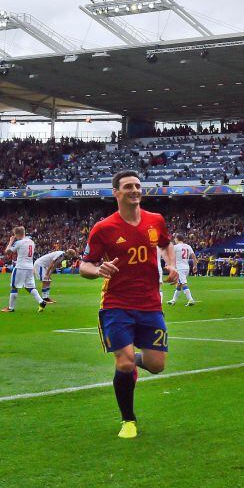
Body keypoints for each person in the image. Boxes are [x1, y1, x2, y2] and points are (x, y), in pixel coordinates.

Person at [79, 170, 178, 439]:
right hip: (116, 304)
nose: (134, 190)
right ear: (116, 193)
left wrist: (171, 264)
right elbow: (84, 265)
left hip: (150, 304)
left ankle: (129, 359)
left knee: (157, 365)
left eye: (137, 186)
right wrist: (98, 269)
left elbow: (167, 245)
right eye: (128, 187)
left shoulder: (155, 220)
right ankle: (128, 420)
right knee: (123, 365)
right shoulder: (104, 228)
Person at [1, 226, 47, 313]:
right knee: (29, 287)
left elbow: (7, 252)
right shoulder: (31, 242)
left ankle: (11, 308)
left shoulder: (19, 242)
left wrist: (10, 242)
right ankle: (41, 301)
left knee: (14, 286)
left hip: (20, 267)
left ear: (17, 234)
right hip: (30, 267)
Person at [168, 235, 197, 306]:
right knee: (179, 284)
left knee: (183, 283)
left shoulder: (176, 247)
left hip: (180, 268)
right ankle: (173, 300)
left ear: (177, 239)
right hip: (186, 267)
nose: (174, 240)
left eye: (175, 238)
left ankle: (190, 299)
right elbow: (193, 256)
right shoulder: (188, 246)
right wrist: (195, 265)